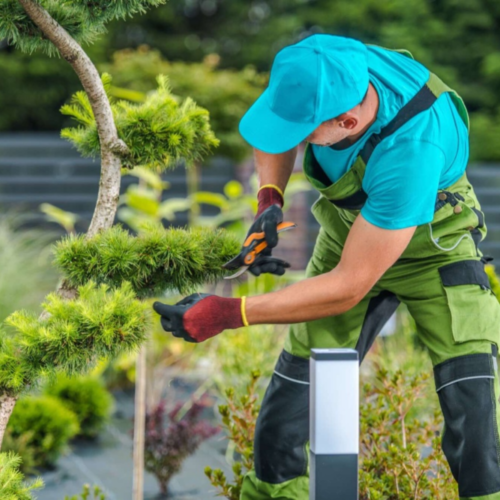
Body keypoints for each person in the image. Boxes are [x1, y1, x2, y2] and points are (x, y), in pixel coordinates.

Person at [153, 34, 500, 500]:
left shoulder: (412, 148)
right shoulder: (322, 67)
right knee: (296, 389)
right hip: (349, 233)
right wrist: (268, 199)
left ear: (348, 121)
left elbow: (348, 286)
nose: (295, 139)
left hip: (434, 249)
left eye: (304, 133)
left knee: (473, 408)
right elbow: (276, 129)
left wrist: (227, 313)